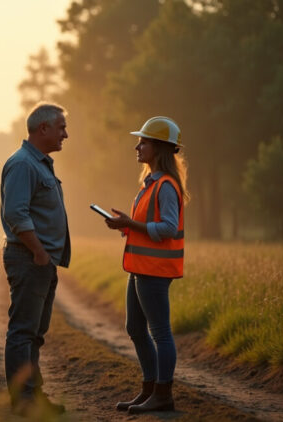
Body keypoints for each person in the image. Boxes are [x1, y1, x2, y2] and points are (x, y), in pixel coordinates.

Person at [104, 116, 189, 414]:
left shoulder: (165, 186)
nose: (137, 146)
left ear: (159, 148)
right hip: (140, 269)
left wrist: (132, 224)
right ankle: (150, 389)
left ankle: (163, 394)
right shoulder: (150, 183)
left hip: (154, 272)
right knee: (135, 328)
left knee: (160, 333)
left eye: (144, 141)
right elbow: (148, 227)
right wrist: (125, 226)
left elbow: (167, 227)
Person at [0, 102, 70, 414]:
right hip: (30, 259)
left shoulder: (37, 163)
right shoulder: (23, 165)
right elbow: (15, 213)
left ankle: (33, 397)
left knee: (34, 334)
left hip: (40, 261)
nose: (65, 134)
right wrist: (40, 252)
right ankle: (23, 403)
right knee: (23, 332)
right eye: (61, 127)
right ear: (43, 129)